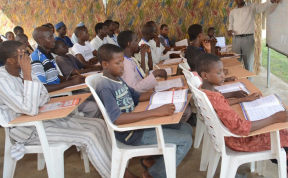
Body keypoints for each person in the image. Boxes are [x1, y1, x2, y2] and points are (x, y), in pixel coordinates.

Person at [0, 40, 137, 178]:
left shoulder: (24, 72)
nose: (28, 56)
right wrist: (28, 77)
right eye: (23, 54)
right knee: (88, 137)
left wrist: (32, 94)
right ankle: (114, 175)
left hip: (45, 118)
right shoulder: (4, 79)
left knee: (99, 124)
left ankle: (120, 170)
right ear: (11, 60)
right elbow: (30, 110)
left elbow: (44, 97)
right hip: (28, 130)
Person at [196, 53, 288, 178]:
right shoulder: (214, 97)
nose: (223, 75)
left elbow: (221, 102)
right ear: (205, 75)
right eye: (219, 72)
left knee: (282, 132)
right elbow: (240, 128)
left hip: (226, 136)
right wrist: (274, 118)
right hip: (237, 140)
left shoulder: (204, 91)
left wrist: (244, 99)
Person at [95, 44, 193, 178]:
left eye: (122, 62)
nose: (122, 66)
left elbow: (137, 96)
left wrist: (165, 92)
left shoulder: (117, 78)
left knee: (187, 128)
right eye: (118, 63)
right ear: (105, 64)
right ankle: (152, 175)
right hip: (130, 134)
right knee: (186, 140)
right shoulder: (104, 86)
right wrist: (155, 112)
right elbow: (117, 118)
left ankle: (154, 162)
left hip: (137, 125)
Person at [30, 26, 100, 118]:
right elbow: (42, 88)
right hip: (52, 98)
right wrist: (71, 82)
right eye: (50, 37)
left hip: (61, 92)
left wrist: (71, 79)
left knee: (98, 97)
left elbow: (56, 77)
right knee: (94, 107)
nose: (54, 40)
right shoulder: (36, 58)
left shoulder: (47, 55)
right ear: (40, 41)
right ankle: (87, 127)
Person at [228, 0, 283, 75]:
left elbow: (263, 6)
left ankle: (248, 85)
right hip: (236, 40)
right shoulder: (232, 12)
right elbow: (230, 24)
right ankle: (238, 84)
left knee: (248, 65)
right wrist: (230, 30)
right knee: (236, 64)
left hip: (248, 39)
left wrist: (271, 1)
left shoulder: (252, 7)